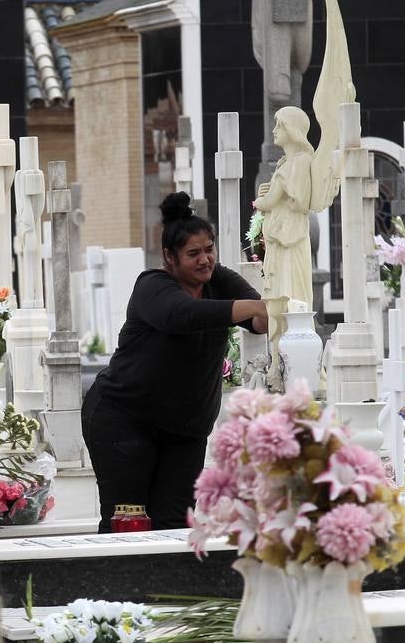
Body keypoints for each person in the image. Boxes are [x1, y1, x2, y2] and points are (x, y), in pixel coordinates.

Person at [82, 192, 267, 533]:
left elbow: (260, 318)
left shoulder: (219, 281)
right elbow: (180, 315)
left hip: (185, 429)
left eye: (209, 249)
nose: (204, 260)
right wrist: (252, 308)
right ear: (170, 257)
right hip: (124, 418)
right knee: (129, 521)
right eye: (193, 254)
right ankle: (122, 587)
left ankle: (161, 588)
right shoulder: (152, 286)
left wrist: (265, 308)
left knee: (175, 523)